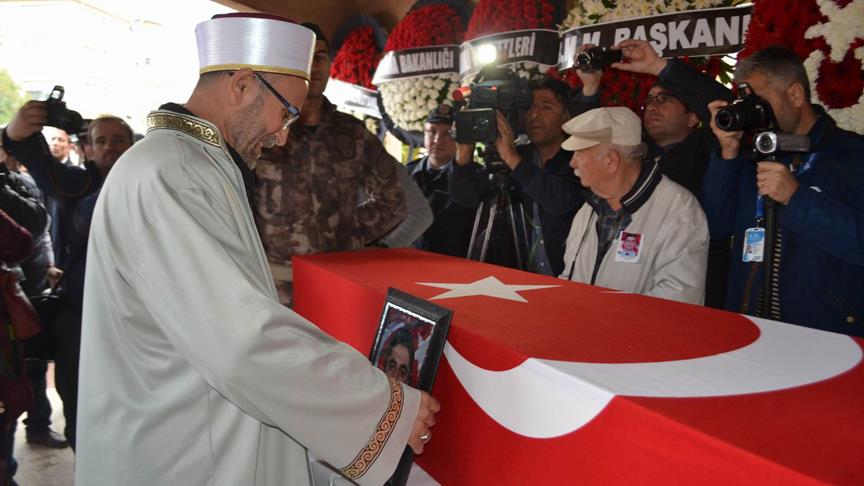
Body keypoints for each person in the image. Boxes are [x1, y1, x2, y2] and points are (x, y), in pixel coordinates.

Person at [49, 14, 434, 485]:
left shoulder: (195, 163)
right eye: (286, 113)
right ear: (243, 86)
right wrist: (385, 407)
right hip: (184, 451)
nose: (283, 136)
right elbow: (241, 341)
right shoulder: (175, 172)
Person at [703, 45, 864, 336]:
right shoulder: (754, 155)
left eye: (760, 101)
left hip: (824, 337)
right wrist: (727, 153)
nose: (753, 112)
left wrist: (797, 198)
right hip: (749, 330)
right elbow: (716, 226)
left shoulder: (853, 155)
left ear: (795, 94)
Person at [2, 112, 134, 450]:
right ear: (88, 149)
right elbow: (39, 163)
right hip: (80, 316)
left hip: (134, 320)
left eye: (118, 140)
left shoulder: (149, 186)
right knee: (78, 402)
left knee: (130, 405)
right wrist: (16, 136)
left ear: (131, 145)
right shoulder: (75, 185)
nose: (110, 147)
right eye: (101, 141)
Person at [573, 39, 735, 309]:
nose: (653, 106)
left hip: (694, 292)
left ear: (694, 118)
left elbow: (725, 106)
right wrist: (590, 86)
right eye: (649, 100)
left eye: (665, 99)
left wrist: (658, 67)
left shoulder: (706, 147)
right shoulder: (638, 155)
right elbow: (593, 147)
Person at [255, 22, 407, 306]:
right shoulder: (265, 127)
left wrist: (346, 231)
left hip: (337, 280)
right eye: (306, 56)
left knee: (337, 351)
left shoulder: (353, 133)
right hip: (272, 284)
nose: (314, 66)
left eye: (321, 56)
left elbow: (393, 201)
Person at [560, 107, 709, 305]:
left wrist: (605, 320)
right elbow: (569, 275)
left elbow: (679, 299)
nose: (572, 163)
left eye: (579, 153)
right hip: (589, 333)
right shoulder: (589, 208)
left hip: (637, 335)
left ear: (611, 161)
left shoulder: (679, 209)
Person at [450, 77, 586, 276]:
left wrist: (512, 158)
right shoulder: (517, 156)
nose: (534, 115)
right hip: (516, 279)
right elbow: (465, 197)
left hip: (566, 282)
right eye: (529, 108)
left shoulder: (578, 159)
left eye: (546, 107)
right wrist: (464, 153)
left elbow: (563, 202)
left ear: (566, 116)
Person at [0, 148, 67, 450]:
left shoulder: (17, 183)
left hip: (22, 287)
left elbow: (35, 228)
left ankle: (38, 425)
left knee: (31, 362)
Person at [407, 105, 477, 257]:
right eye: (432, 131)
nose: (437, 140)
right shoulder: (408, 173)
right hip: (406, 262)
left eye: (447, 134)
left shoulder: (472, 176)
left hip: (452, 268)